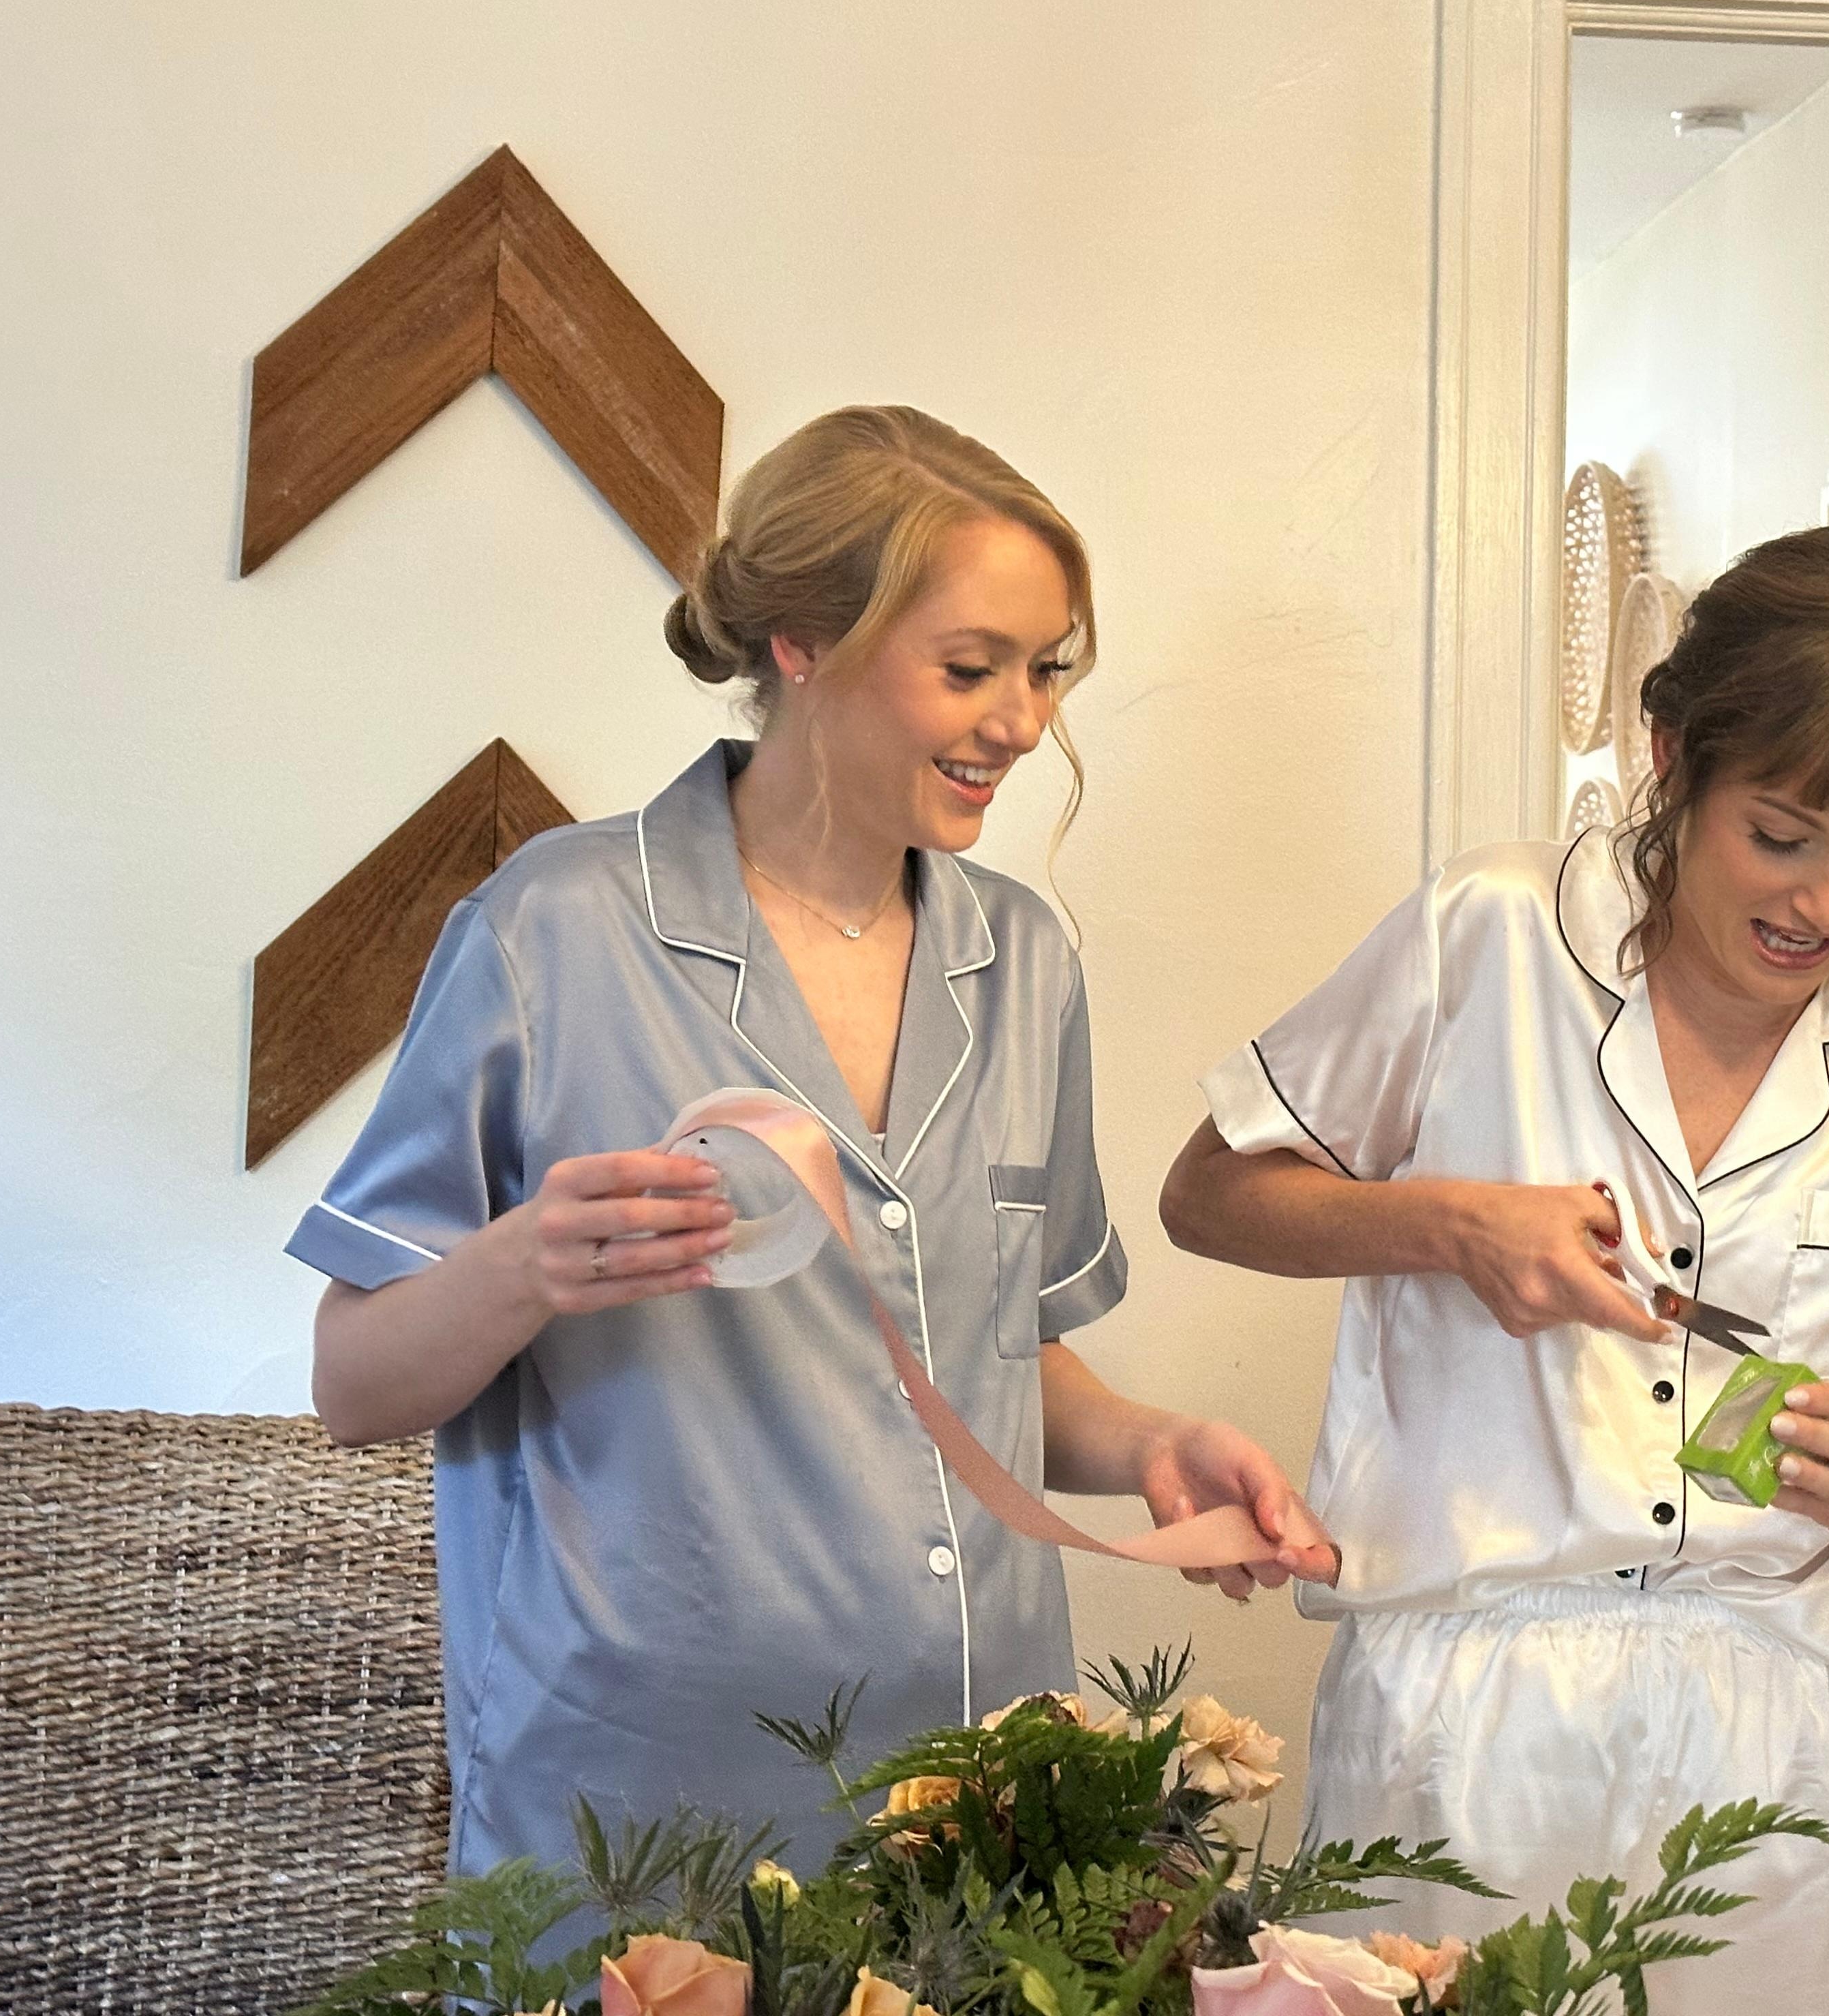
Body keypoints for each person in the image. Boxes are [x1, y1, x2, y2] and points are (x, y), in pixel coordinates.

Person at [288, 406, 1327, 1881]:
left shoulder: (1022, 962)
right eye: (969, 669)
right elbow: (352, 1382)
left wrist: (1159, 1443)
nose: (1022, 721)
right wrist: (527, 1266)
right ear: (799, 646)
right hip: (640, 1815)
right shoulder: (553, 931)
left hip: (979, 1814)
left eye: (1046, 671)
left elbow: (996, 1366)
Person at [1158, 527, 1829, 2014]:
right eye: (1781, 834)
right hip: (1457, 1717)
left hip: (1773, 1746)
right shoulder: (1492, 934)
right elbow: (1209, 1195)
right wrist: (1452, 1223)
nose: (1827, 905)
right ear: (1673, 755)